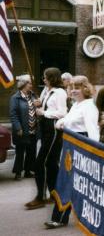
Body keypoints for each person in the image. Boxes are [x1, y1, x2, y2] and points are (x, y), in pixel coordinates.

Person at [44, 75, 100, 229]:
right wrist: (61, 123)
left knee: (78, 184)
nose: (73, 90)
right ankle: (61, 217)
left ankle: (64, 218)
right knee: (69, 182)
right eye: (71, 87)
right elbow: (66, 120)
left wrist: (92, 154)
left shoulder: (89, 106)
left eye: (77, 87)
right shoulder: (76, 105)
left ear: (85, 88)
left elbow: (93, 132)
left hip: (82, 146)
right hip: (70, 146)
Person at [25, 67, 67, 210]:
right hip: (44, 128)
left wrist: (44, 112)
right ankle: (55, 195)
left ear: (52, 78)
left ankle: (40, 197)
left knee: (40, 163)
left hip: (53, 128)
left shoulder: (60, 92)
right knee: (51, 163)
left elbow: (62, 113)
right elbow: (43, 106)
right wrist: (39, 104)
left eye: (45, 77)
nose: (43, 79)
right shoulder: (45, 91)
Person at [10, 75, 37, 180]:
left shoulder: (33, 96)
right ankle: (18, 172)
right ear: (24, 84)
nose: (31, 85)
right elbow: (13, 115)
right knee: (20, 152)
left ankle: (27, 171)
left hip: (33, 129)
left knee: (31, 151)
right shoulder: (15, 98)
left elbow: (38, 109)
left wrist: (39, 106)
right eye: (30, 83)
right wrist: (18, 128)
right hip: (22, 129)